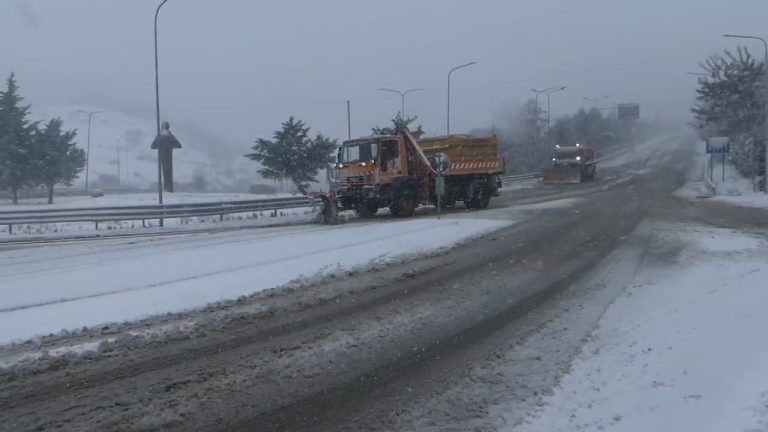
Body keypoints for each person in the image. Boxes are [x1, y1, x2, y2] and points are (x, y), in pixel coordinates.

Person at [150, 121, 182, 192]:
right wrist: (170, 145)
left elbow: (152, 146)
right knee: (169, 173)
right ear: (168, 127)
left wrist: (160, 146)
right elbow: (179, 145)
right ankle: (169, 189)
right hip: (169, 157)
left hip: (162, 157)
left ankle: (165, 188)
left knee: (164, 173)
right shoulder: (170, 136)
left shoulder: (159, 136)